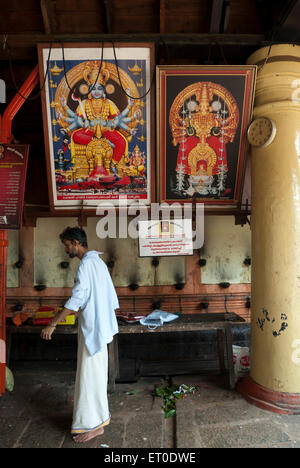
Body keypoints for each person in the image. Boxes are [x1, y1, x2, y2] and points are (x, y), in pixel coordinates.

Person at [41, 226, 119, 443]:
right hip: (100, 327)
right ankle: (98, 421)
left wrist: (53, 323)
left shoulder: (86, 265)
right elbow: (111, 298)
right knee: (94, 377)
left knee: (88, 379)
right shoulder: (98, 263)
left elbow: (76, 300)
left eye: (67, 245)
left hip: (93, 329)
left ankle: (93, 426)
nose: (66, 249)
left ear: (76, 243)